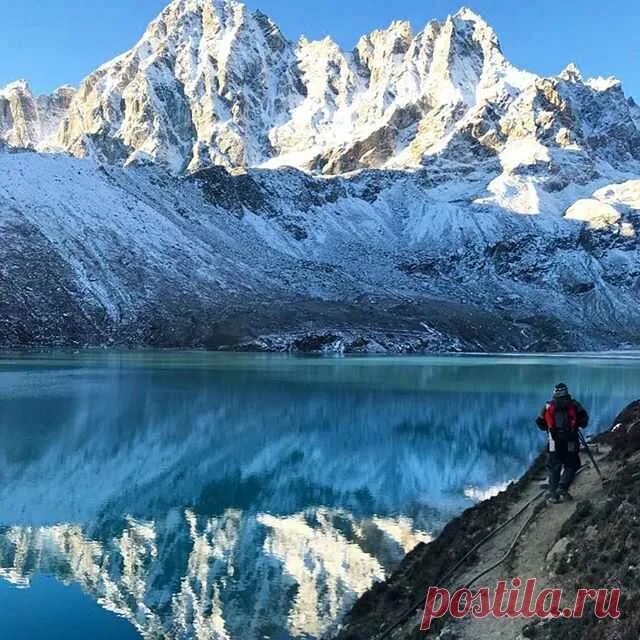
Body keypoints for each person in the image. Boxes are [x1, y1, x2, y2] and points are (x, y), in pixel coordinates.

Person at [536, 383, 589, 503]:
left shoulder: (547, 406)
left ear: (554, 392)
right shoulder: (574, 405)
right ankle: (563, 487)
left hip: (554, 441)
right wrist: (575, 425)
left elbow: (540, 423)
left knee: (554, 465)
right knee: (572, 463)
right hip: (570, 440)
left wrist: (551, 428)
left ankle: (553, 494)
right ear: (566, 392)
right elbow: (584, 421)